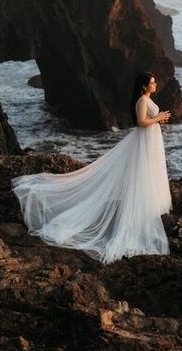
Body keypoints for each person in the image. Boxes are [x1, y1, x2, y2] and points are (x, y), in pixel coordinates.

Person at [12, 72, 172, 264]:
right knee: (142, 174)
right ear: (145, 86)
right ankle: (135, 215)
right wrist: (158, 117)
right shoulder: (142, 101)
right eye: (153, 83)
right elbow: (140, 122)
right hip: (144, 141)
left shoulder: (147, 100)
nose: (156, 85)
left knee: (148, 174)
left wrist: (160, 119)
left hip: (151, 141)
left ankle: (146, 209)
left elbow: (148, 120)